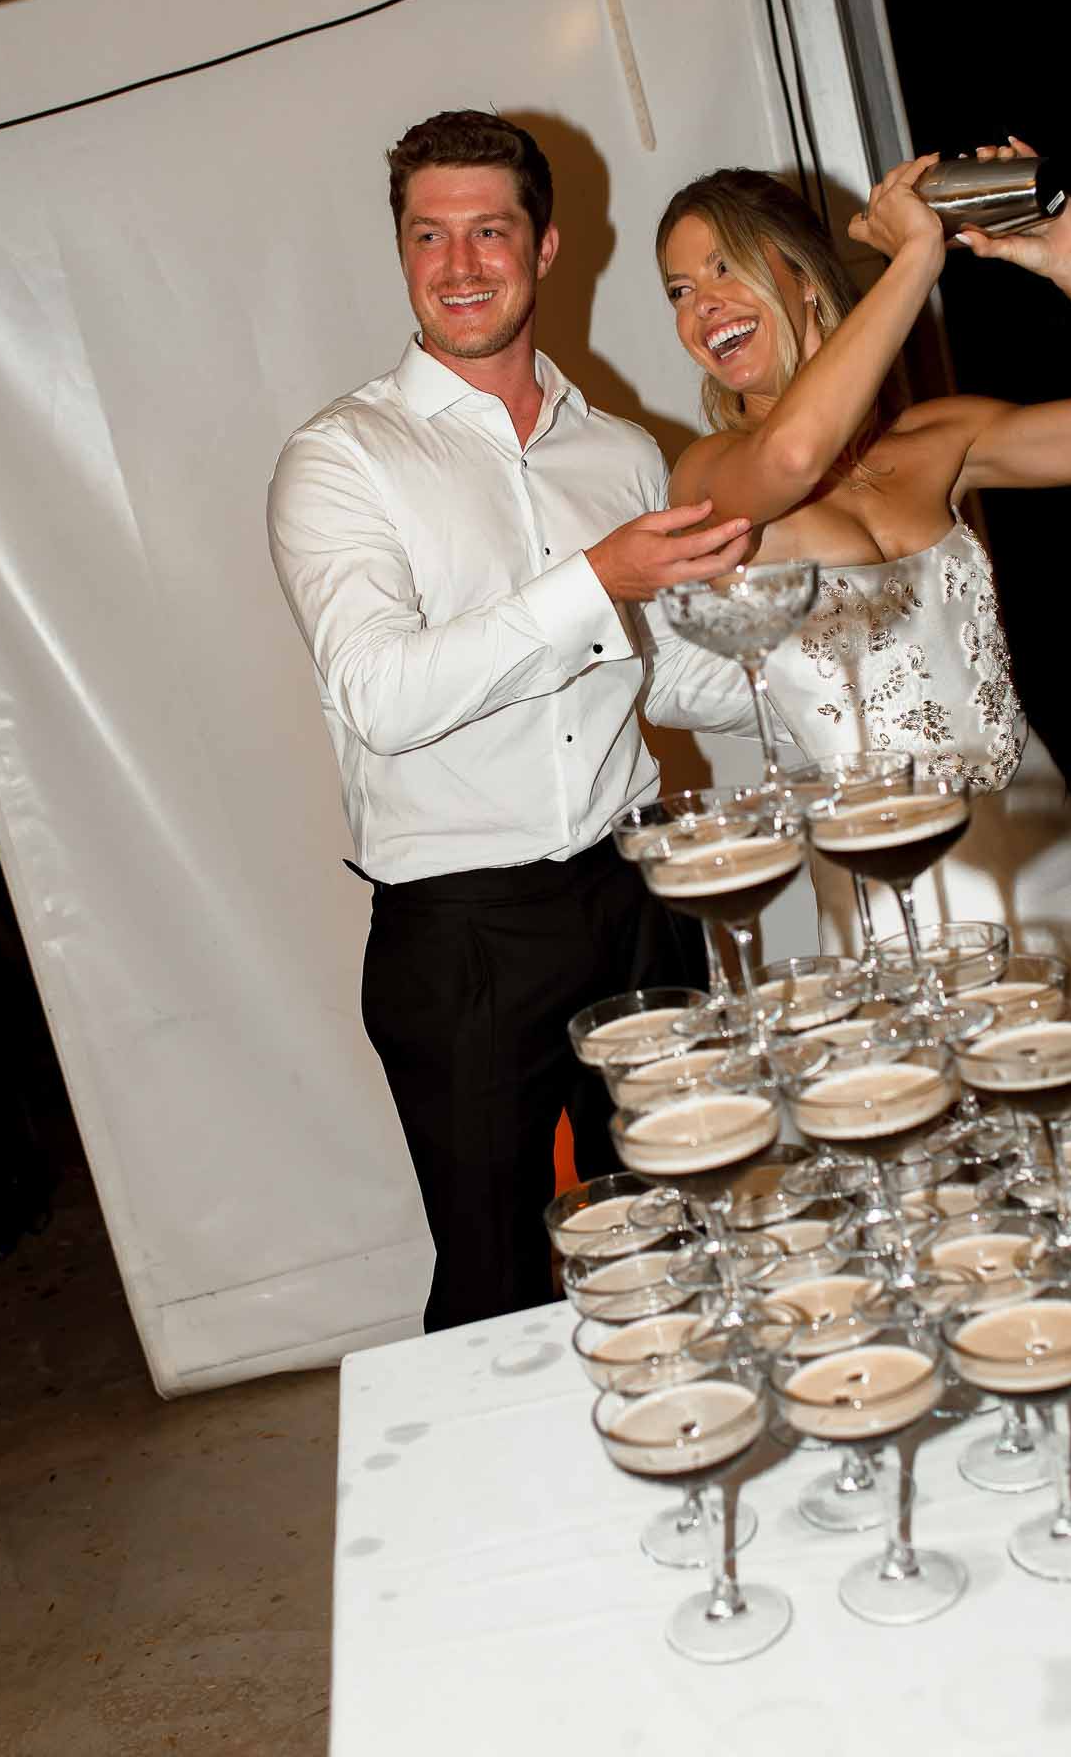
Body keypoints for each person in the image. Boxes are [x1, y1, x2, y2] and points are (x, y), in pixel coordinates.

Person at [267, 109, 760, 1334]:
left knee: (673, 1239)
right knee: (495, 1284)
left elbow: (668, 680)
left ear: (545, 249)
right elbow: (382, 698)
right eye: (427, 234)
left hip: (636, 887)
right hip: (463, 928)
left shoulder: (625, 454)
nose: (457, 263)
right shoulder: (343, 458)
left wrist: (822, 666)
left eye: (489, 229)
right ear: (400, 252)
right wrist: (594, 576)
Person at [657, 142, 1071, 1025]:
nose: (700, 304)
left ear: (801, 275)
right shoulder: (715, 474)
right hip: (898, 885)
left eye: (723, 265)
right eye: (679, 290)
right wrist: (914, 256)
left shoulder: (940, 436)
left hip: (1042, 843)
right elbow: (794, 454)